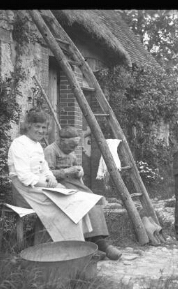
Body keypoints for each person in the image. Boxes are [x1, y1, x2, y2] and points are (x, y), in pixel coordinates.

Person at [7, 109, 112, 255]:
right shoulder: (19, 144)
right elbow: (25, 177)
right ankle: (71, 250)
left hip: (38, 187)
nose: (40, 131)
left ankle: (84, 245)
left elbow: (45, 170)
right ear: (28, 125)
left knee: (76, 199)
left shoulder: (37, 145)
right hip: (24, 191)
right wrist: (49, 184)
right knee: (66, 205)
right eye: (37, 126)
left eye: (44, 127)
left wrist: (53, 180)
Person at [44, 126, 122, 260]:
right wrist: (67, 171)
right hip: (58, 186)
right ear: (61, 140)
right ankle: (95, 244)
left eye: (75, 145)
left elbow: (77, 170)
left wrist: (80, 171)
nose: (72, 149)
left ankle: (97, 240)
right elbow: (46, 174)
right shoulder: (50, 150)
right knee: (81, 202)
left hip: (73, 184)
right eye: (70, 145)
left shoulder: (72, 153)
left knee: (94, 200)